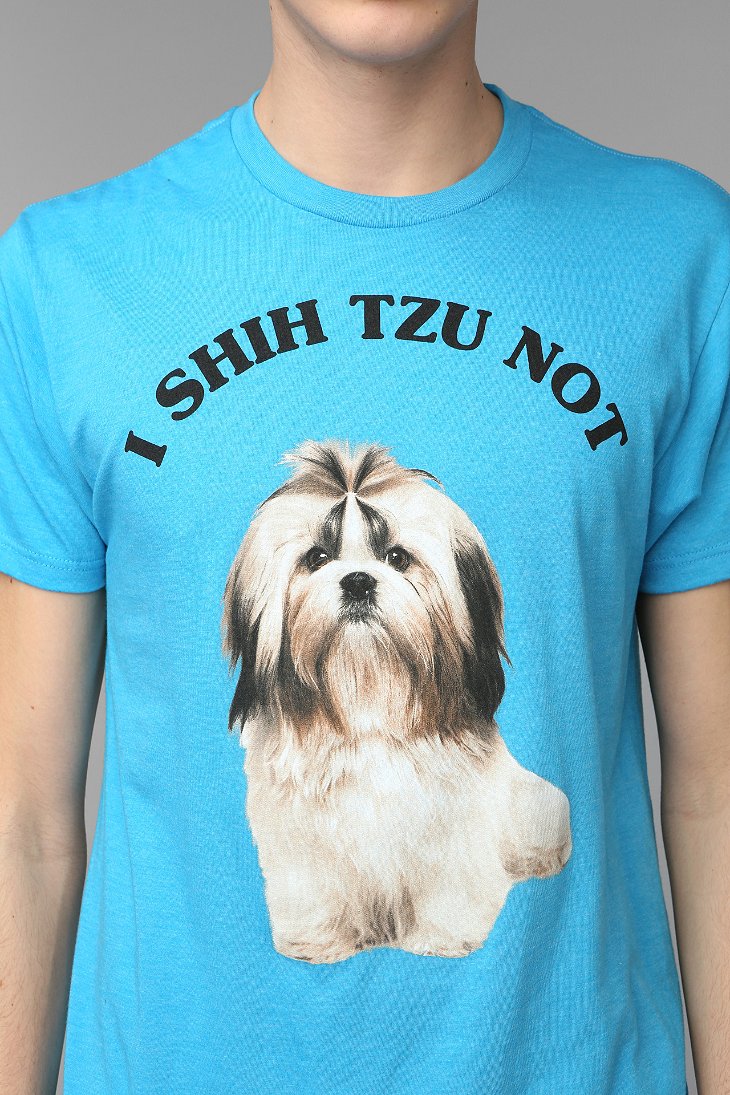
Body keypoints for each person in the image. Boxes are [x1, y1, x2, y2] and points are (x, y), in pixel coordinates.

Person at [0, 0, 728, 1092]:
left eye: (393, 560)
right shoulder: (65, 276)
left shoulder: (679, 256)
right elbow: (23, 820)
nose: (354, 580)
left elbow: (715, 786)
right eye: (320, 561)